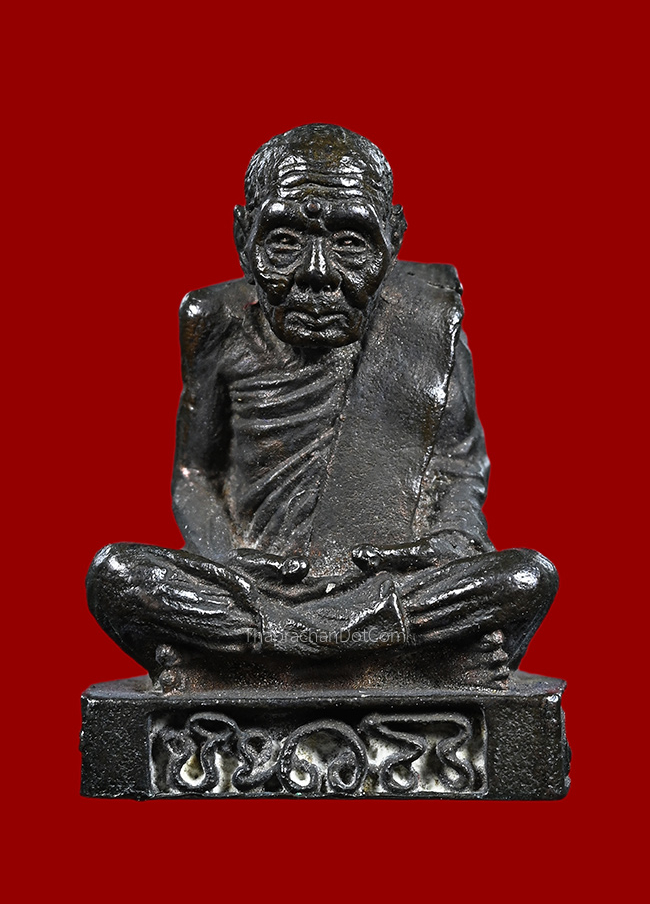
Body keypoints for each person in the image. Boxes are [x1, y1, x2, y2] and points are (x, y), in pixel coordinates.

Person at [86, 124, 557, 689]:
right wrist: (227, 561)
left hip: (382, 581)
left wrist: (445, 546)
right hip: (257, 584)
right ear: (242, 235)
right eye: (284, 241)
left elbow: (459, 466)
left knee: (526, 576)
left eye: (351, 243)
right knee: (116, 573)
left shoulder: (429, 322)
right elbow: (196, 474)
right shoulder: (214, 320)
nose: (317, 273)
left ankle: (255, 654)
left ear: (393, 237)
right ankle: (384, 653)